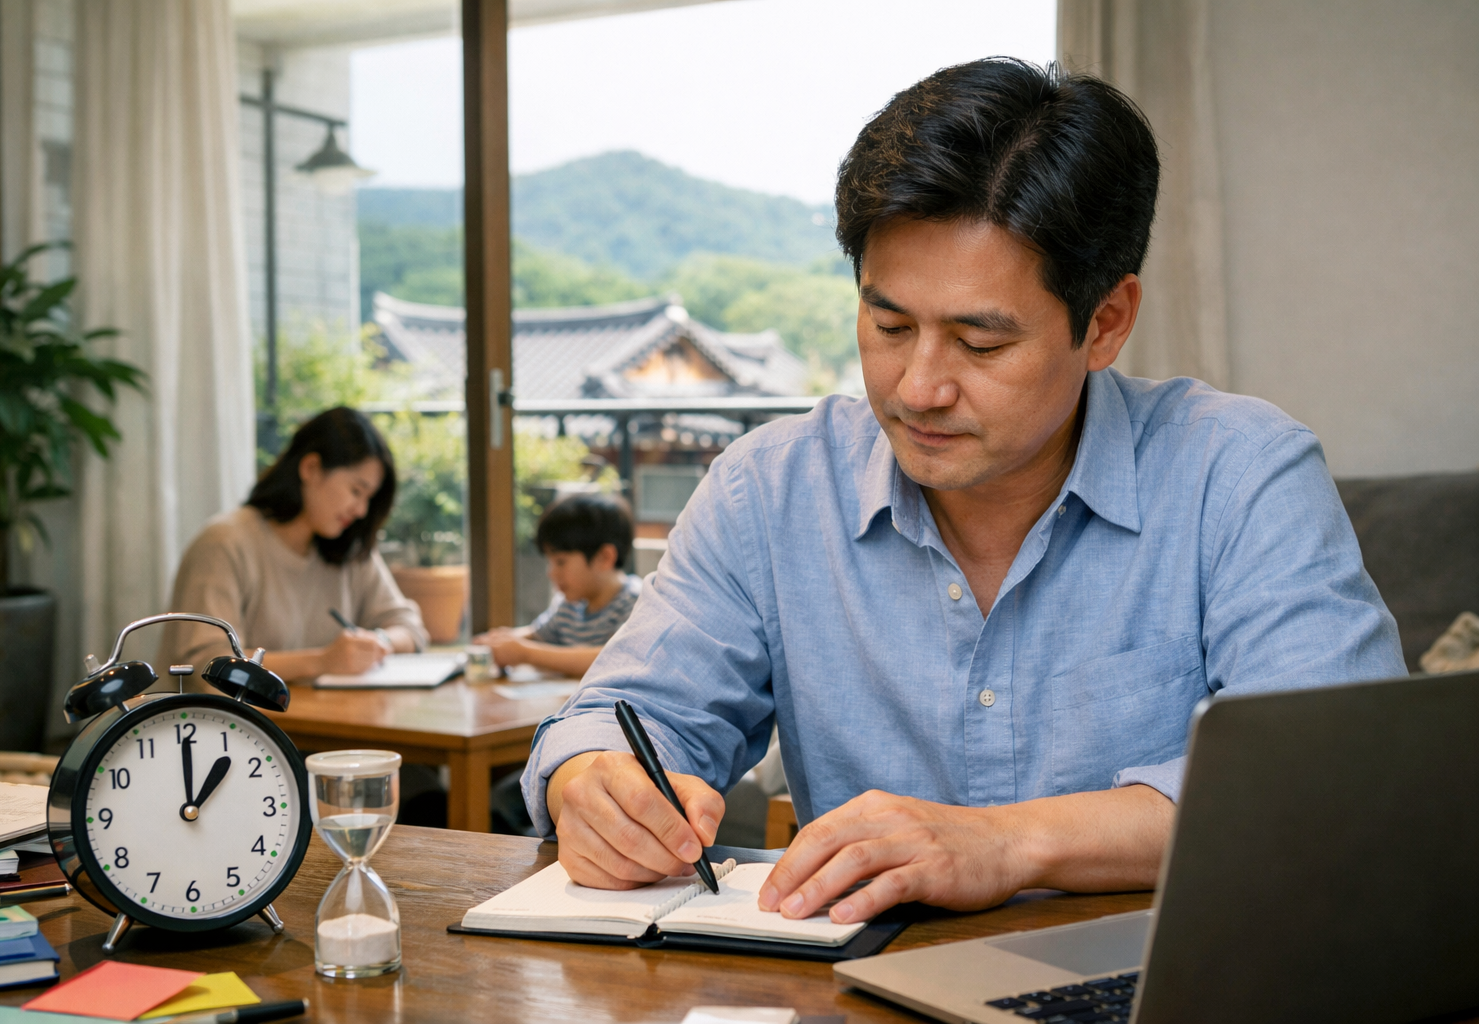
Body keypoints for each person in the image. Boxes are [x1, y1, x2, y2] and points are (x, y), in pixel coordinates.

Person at [521, 58, 1405, 925]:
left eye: (980, 345)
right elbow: (624, 718)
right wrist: (591, 784)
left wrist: (1007, 843)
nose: (918, 388)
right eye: (888, 325)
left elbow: (1333, 784)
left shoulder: (1239, 474)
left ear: (1106, 322)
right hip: (864, 992)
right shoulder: (771, 490)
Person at [160, 407, 428, 683]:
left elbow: (411, 629)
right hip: (222, 726)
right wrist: (323, 661)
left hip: (324, 723)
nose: (361, 510)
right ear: (310, 468)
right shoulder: (224, 543)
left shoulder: (350, 548)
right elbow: (208, 666)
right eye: (356, 491)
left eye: (369, 498)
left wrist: (378, 642)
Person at [474, 494, 642, 678]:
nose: (551, 572)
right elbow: (537, 635)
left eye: (560, 562)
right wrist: (500, 642)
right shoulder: (571, 605)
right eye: (550, 562)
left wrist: (525, 653)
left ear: (604, 557)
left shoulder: (636, 603)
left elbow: (612, 660)